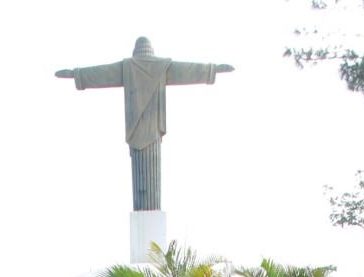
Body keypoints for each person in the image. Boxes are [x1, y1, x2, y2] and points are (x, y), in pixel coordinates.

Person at [56, 37, 233, 211]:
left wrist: (75, 74)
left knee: (144, 192)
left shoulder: (128, 67)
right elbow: (189, 70)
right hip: (153, 132)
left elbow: (101, 73)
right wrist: (213, 70)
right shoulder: (162, 66)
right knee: (147, 192)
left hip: (137, 133)